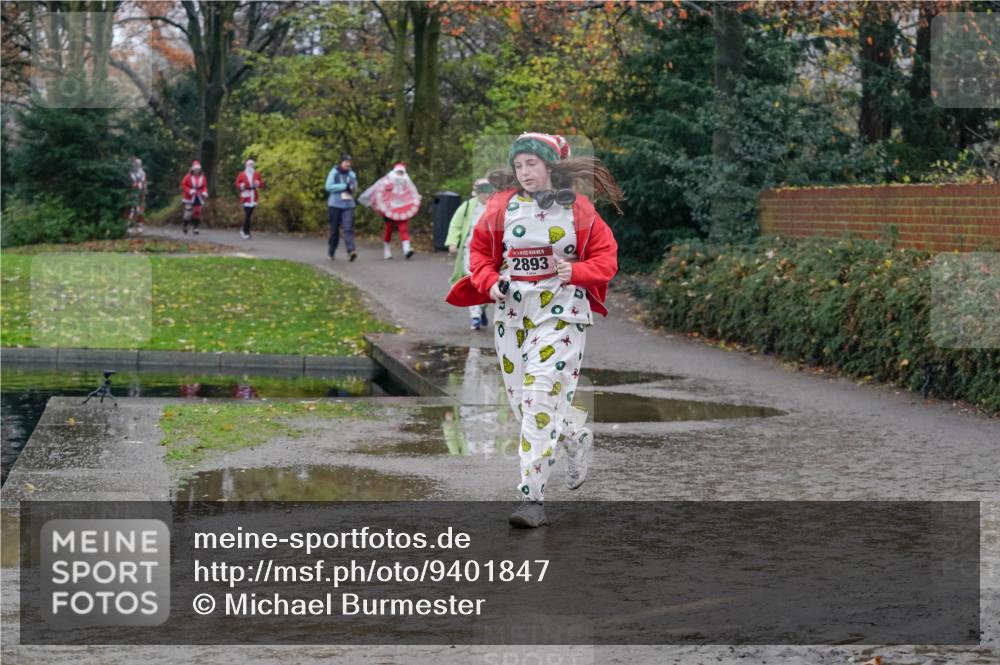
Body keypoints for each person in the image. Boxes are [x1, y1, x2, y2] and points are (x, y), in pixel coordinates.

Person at [446, 132, 623, 528]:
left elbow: (606, 259)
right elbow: (479, 254)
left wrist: (576, 270)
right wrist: (490, 281)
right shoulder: (500, 207)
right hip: (513, 316)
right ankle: (574, 433)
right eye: (519, 164)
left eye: (532, 163)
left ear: (549, 167)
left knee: (540, 400)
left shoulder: (578, 210)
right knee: (526, 406)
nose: (525, 171)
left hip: (561, 314)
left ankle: (532, 500)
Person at [446, 177, 495, 330]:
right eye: (483, 192)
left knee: (487, 283)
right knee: (473, 280)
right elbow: (455, 224)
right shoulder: (467, 206)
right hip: (470, 250)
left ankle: (481, 309)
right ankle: (475, 317)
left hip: (490, 251)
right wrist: (453, 242)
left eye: (488, 192)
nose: (486, 195)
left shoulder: (496, 206)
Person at [358, 162, 421, 259]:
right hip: (389, 210)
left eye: (401, 173)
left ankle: (406, 249)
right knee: (389, 229)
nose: (400, 175)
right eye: (398, 172)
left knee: (403, 227)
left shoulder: (407, 184)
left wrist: (415, 200)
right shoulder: (386, 182)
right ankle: (387, 250)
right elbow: (379, 193)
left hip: (402, 209)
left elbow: (412, 194)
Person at [324, 153, 359, 261]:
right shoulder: (334, 172)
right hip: (335, 204)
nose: (348, 164)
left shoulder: (352, 174)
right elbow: (328, 187)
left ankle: (351, 251)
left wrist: (352, 188)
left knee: (348, 228)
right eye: (346, 162)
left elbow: (355, 187)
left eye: (349, 162)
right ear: (341, 162)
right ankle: (332, 251)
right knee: (334, 230)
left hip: (348, 205)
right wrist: (344, 186)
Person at [235, 158, 264, 239]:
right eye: (249, 165)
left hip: (253, 195)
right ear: (246, 166)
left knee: (249, 214)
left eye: (252, 165)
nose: (250, 166)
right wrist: (242, 185)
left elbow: (261, 184)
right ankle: (245, 231)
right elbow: (237, 183)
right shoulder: (242, 174)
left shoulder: (256, 174)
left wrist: (258, 183)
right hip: (245, 195)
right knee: (247, 214)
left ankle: (245, 231)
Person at [180, 160, 208, 235]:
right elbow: (183, 185)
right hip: (189, 196)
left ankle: (196, 227)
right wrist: (189, 190)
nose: (197, 170)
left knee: (197, 211)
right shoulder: (188, 176)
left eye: (198, 169)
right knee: (188, 212)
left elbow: (204, 186)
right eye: (195, 169)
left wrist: (205, 192)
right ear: (193, 169)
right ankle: (185, 225)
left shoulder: (202, 177)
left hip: (198, 196)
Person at [128, 156, 147, 233]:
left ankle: (139, 225)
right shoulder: (130, 173)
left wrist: (144, 191)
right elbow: (129, 183)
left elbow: (144, 183)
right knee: (131, 209)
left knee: (140, 210)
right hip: (132, 193)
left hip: (140, 193)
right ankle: (129, 225)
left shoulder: (142, 173)